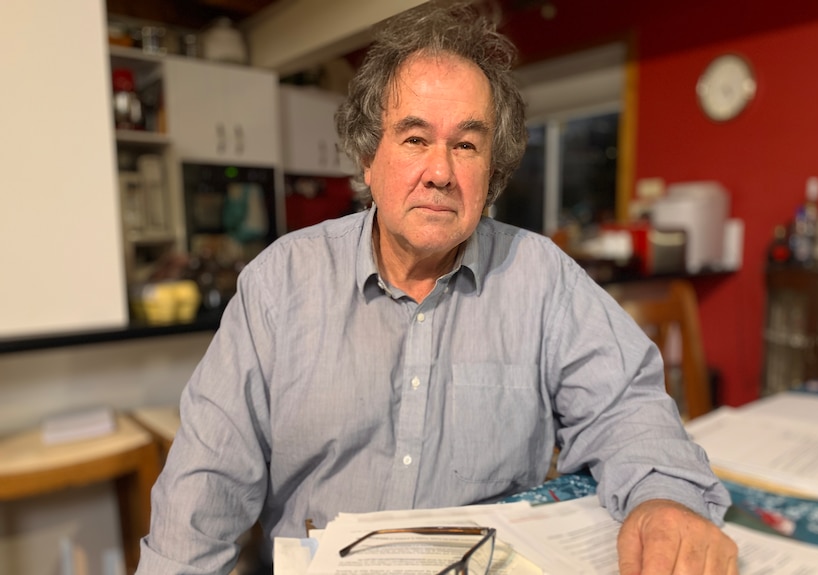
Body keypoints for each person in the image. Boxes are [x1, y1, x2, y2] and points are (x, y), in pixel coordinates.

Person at [137, 2, 739, 574]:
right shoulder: (280, 285)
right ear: (368, 158)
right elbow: (204, 494)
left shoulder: (542, 277)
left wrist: (667, 500)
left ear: (492, 171)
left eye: (467, 145)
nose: (441, 172)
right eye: (415, 138)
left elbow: (627, 408)